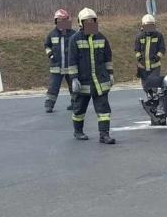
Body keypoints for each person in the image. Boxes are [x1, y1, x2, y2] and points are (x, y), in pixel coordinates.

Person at [66, 8, 116, 144]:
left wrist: (110, 74)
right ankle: (78, 131)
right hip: (83, 82)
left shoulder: (102, 37)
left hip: (100, 81)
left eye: (91, 21)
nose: (89, 23)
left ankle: (104, 135)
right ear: (80, 23)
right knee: (79, 109)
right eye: (86, 21)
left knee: (104, 110)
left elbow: (108, 58)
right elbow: (72, 61)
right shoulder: (74, 39)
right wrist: (74, 78)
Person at [43, 9, 76, 113]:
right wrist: (50, 54)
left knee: (73, 87)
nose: (60, 22)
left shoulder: (73, 34)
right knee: (53, 87)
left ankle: (75, 104)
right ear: (55, 21)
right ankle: (49, 105)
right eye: (58, 20)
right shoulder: (52, 34)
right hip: (56, 67)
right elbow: (47, 45)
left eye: (63, 20)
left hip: (70, 67)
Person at [134, 14, 166, 90]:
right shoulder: (139, 36)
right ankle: (150, 98)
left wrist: (157, 58)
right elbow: (136, 50)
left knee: (153, 85)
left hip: (155, 66)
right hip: (143, 67)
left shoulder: (159, 36)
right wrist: (139, 58)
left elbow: (162, 49)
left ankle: (155, 98)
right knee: (145, 87)